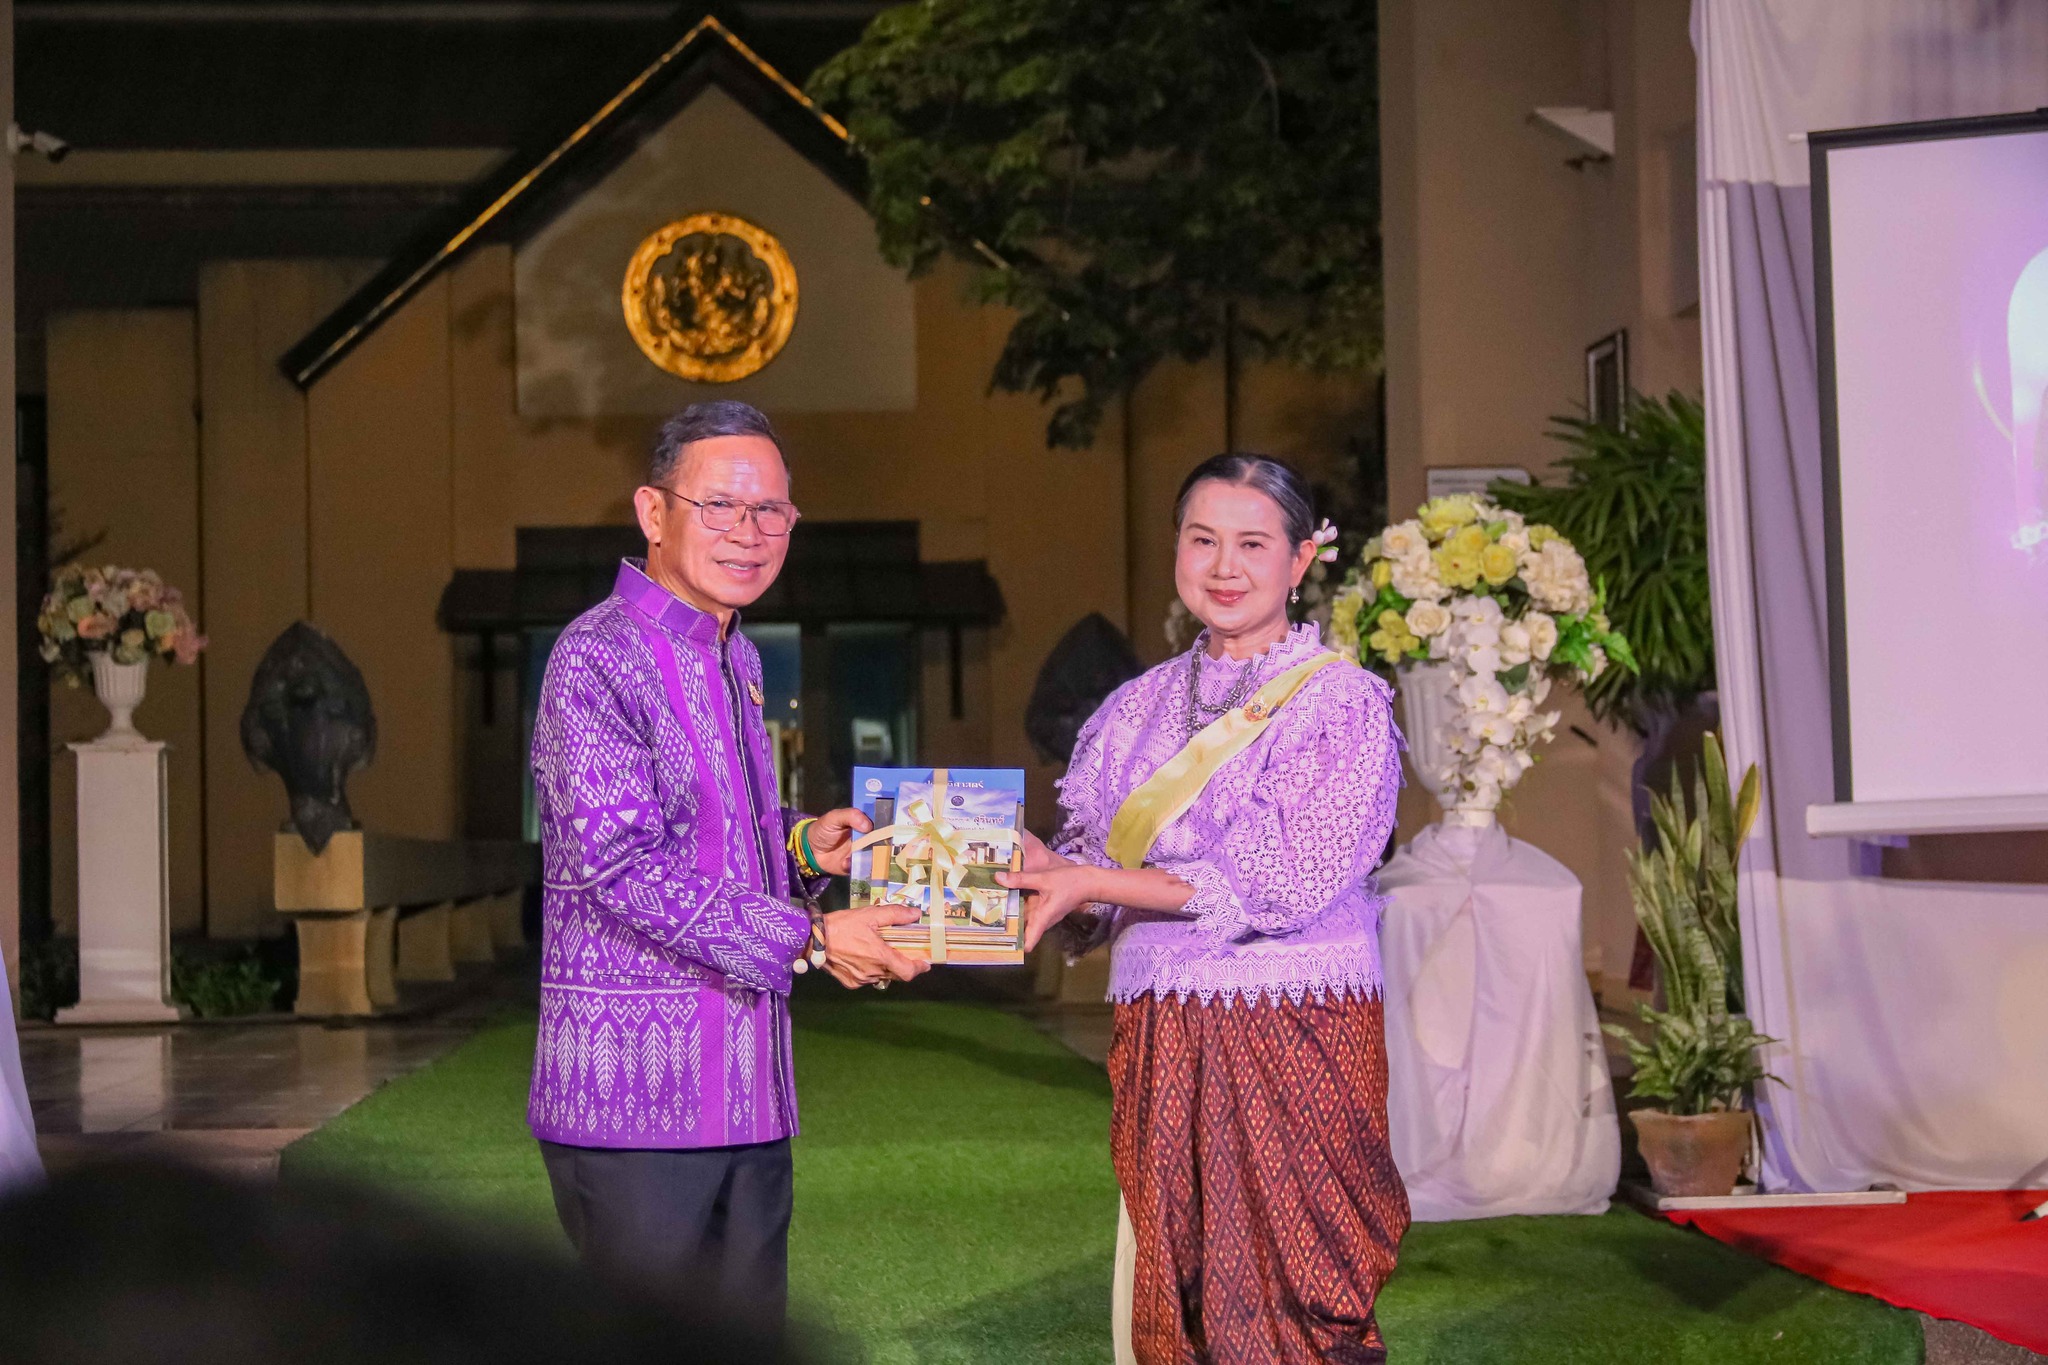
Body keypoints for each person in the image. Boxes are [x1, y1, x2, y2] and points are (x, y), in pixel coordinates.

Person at [527, 400, 927, 1335]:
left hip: (749, 1083)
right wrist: (812, 937)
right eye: (719, 506)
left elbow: (710, 830)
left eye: (771, 511)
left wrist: (800, 846)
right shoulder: (595, 657)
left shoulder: (733, 651)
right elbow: (621, 866)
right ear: (653, 511)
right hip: (633, 1097)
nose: (748, 532)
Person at [1000, 454, 1410, 1364]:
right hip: (1163, 1030)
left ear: (1301, 559)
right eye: (1203, 540)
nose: (1225, 566)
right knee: (1180, 1286)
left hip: (1296, 1028)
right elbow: (1092, 886)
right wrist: (1035, 873)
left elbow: (1281, 882)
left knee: (1304, 1289)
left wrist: (1089, 882)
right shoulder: (1130, 711)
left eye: (1253, 544)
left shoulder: (1339, 705)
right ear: (1177, 550)